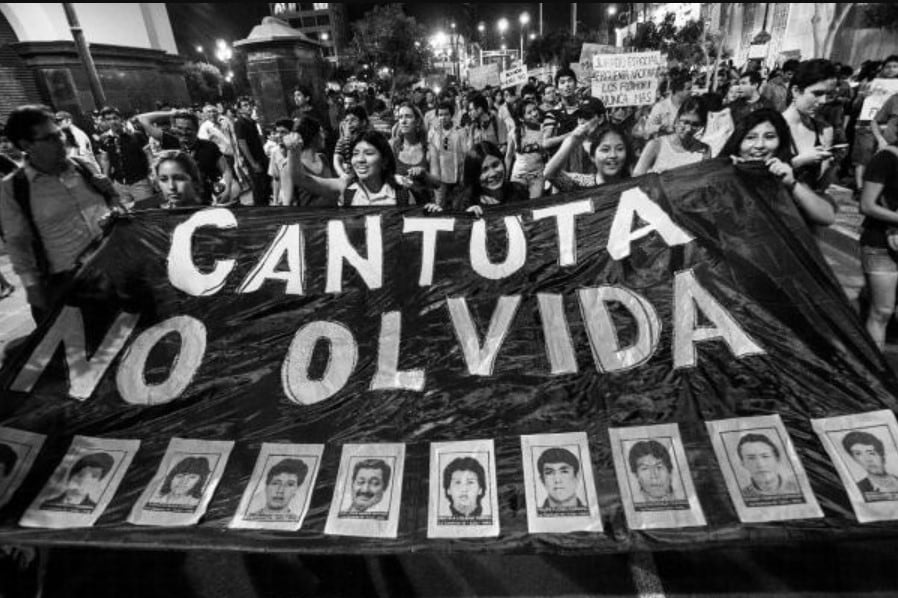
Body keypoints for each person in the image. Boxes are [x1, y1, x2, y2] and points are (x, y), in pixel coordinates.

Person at [0, 105, 121, 323]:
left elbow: (114, 202)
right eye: (50, 138)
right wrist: (33, 288)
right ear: (26, 145)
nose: (61, 141)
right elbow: (17, 242)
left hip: (118, 269)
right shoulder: (14, 188)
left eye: (60, 134)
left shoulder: (83, 167)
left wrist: (113, 201)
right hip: (74, 286)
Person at [721, 108, 836, 226]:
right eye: (750, 137)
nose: (759, 145)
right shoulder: (722, 170)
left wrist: (792, 184)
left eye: (769, 137)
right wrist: (725, 172)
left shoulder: (785, 174)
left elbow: (827, 218)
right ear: (738, 142)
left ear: (781, 142)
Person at [287, 130, 411, 207]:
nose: (360, 159)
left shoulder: (402, 195)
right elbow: (300, 179)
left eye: (368, 153)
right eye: (355, 154)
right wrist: (293, 151)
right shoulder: (345, 188)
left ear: (384, 160)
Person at [138, 109, 234, 205]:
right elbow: (143, 119)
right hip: (178, 203)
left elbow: (225, 169)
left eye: (188, 129)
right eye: (179, 128)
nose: (183, 132)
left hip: (205, 201)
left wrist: (227, 189)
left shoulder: (209, 146)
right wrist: (171, 113)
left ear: (196, 129)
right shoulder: (171, 142)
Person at [858, 131, 898, 349]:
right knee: (882, 311)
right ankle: (874, 366)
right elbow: (866, 205)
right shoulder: (886, 158)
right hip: (880, 244)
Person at [783, 59, 838, 191]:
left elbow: (820, 186)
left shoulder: (824, 130)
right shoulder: (773, 126)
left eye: (829, 95)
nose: (823, 101)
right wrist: (799, 161)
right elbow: (760, 177)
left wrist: (831, 166)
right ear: (796, 91)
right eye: (817, 93)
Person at [545, 123, 634, 192]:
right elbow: (550, 174)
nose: (613, 155)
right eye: (605, 150)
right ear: (592, 156)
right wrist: (572, 141)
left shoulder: (634, 185)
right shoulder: (582, 184)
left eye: (619, 149)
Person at [634, 96, 710, 175]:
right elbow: (637, 178)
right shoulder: (656, 145)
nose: (688, 129)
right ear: (677, 119)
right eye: (685, 122)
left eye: (695, 125)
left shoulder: (703, 150)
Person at [96, 106, 154, 207]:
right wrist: (107, 180)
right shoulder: (104, 139)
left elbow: (149, 155)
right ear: (105, 122)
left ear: (121, 119)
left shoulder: (136, 135)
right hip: (120, 185)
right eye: (108, 119)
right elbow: (106, 160)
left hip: (140, 182)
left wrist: (154, 174)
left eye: (115, 118)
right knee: (127, 214)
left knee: (148, 211)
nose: (113, 122)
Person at [392, 102, 438, 204]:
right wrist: (396, 178)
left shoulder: (429, 148)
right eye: (400, 117)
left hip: (423, 205)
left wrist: (424, 174)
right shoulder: (393, 146)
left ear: (417, 121)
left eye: (408, 117)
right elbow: (381, 177)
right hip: (397, 205)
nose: (403, 121)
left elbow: (437, 183)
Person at [736, 433, 801, 498]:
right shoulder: (740, 496)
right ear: (743, 464)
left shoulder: (799, 488)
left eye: (765, 456)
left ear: (777, 459)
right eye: (751, 458)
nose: (760, 464)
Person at [428, 99, 467, 207]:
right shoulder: (433, 132)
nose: (443, 117)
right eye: (440, 115)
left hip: (457, 176)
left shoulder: (460, 131)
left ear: (451, 115)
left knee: (457, 207)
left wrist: (463, 175)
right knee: (439, 207)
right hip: (440, 178)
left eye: (446, 114)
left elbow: (465, 154)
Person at [41, 452, 114, 509]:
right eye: (80, 475)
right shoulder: (47, 504)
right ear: (70, 477)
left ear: (98, 482)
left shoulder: (95, 508)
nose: (81, 483)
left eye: (93, 477)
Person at [506, 98, 546, 198]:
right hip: (518, 177)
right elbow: (509, 156)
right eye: (529, 112)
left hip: (537, 177)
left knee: (535, 204)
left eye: (535, 109)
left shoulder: (544, 129)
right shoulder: (514, 132)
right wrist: (506, 178)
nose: (534, 114)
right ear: (521, 118)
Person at [234, 97, 269, 206]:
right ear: (240, 109)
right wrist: (253, 163)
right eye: (245, 105)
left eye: (249, 104)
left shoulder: (252, 122)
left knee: (265, 185)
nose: (249, 107)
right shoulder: (240, 123)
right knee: (259, 188)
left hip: (261, 156)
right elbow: (242, 144)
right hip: (253, 160)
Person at [841, 430, 898, 496]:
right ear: (854, 459)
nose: (868, 459)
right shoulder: (857, 489)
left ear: (881, 454)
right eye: (858, 454)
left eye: (871, 453)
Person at [645, 71, 693, 138]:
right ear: (678, 90)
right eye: (688, 89)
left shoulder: (690, 106)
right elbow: (648, 128)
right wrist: (664, 128)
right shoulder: (660, 107)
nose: (691, 91)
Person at [333, 105, 370, 179]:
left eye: (353, 120)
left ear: (363, 122)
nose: (349, 123)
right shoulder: (343, 140)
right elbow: (337, 159)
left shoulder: (370, 139)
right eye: (346, 120)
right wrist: (342, 174)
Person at [268, 119, 294, 206]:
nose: (279, 135)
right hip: (285, 198)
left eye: (283, 132)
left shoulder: (298, 150)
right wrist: (275, 201)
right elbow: (276, 179)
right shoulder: (275, 152)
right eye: (277, 132)